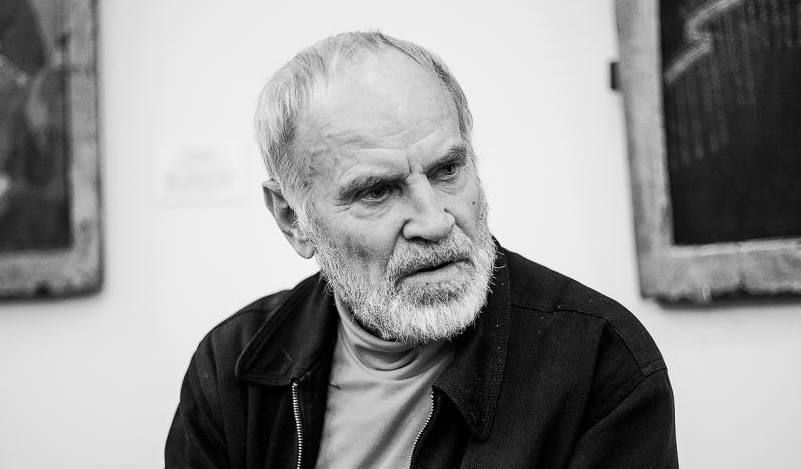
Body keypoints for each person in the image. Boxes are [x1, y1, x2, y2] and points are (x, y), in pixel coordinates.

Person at [165, 32, 678, 468]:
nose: (435, 222)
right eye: (376, 191)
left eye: (448, 170)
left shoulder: (599, 361)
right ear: (292, 219)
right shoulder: (230, 369)